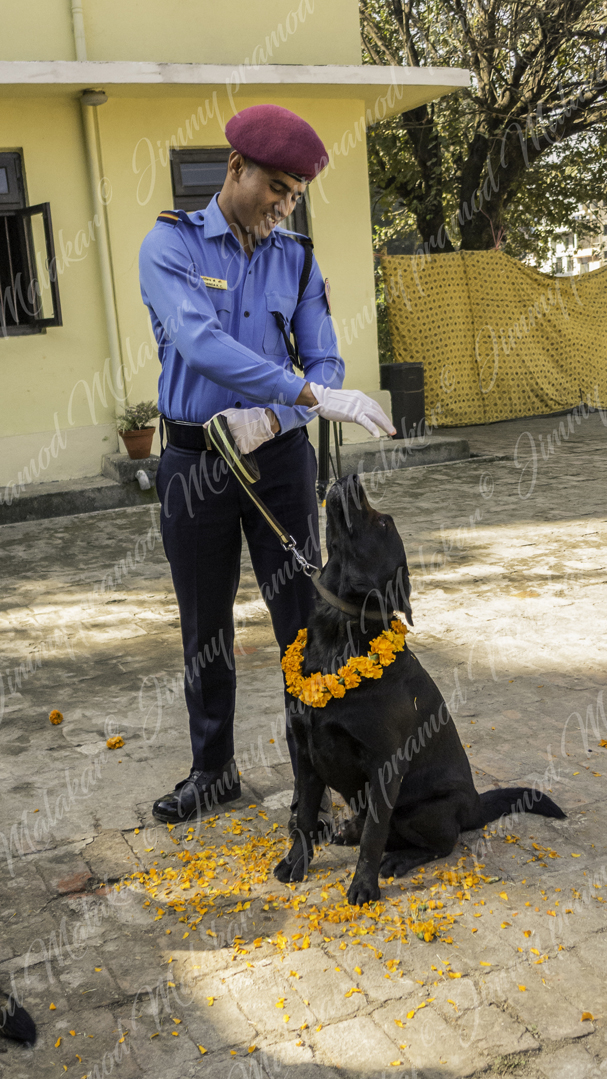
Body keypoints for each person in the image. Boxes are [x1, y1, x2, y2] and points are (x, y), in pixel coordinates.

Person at [139, 104, 395, 827]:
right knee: (205, 626)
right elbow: (199, 343)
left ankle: (317, 777)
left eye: (295, 194)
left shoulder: (298, 258)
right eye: (276, 188)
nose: (283, 206)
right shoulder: (170, 246)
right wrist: (305, 394)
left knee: (301, 623)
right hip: (196, 463)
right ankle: (212, 772)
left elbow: (324, 359)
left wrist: (279, 416)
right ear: (236, 168)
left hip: (278, 460)